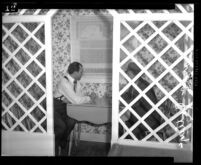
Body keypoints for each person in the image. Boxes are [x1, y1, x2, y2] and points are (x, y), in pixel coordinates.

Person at [53, 62, 95, 156]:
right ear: (75, 72)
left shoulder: (76, 82)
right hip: (55, 107)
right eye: (81, 72)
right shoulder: (65, 82)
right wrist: (88, 98)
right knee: (61, 127)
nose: (82, 74)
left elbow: (79, 97)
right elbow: (76, 100)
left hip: (65, 107)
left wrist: (88, 97)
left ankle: (61, 142)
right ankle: (53, 148)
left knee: (72, 121)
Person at [120, 62, 161, 140]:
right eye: (127, 74)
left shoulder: (143, 86)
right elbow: (129, 95)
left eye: (129, 74)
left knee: (122, 125)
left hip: (149, 120)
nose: (127, 76)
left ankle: (134, 144)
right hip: (140, 117)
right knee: (122, 124)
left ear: (136, 74)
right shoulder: (135, 84)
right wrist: (120, 95)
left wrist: (119, 101)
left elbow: (135, 102)